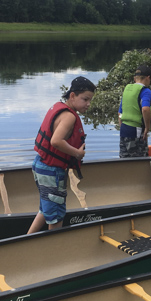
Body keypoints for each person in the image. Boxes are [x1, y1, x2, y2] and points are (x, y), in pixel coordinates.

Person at [27, 76, 96, 234]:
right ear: (72, 96)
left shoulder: (58, 107)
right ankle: (53, 251)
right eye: (85, 99)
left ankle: (25, 240)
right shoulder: (69, 116)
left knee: (45, 209)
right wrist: (77, 153)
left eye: (90, 100)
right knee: (56, 216)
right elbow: (56, 141)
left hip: (40, 165)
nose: (88, 104)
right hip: (51, 171)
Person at [118, 65, 151, 158]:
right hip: (136, 131)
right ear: (148, 78)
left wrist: (122, 127)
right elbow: (145, 109)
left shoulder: (127, 89)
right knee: (140, 160)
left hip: (123, 129)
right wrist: (147, 128)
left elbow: (120, 113)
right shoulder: (145, 91)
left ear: (135, 78)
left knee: (124, 161)